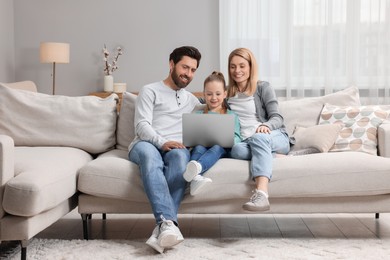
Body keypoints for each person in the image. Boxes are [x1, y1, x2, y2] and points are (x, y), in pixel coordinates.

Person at [128, 46, 201, 253]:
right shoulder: (149, 90)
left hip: (175, 148)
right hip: (145, 144)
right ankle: (169, 222)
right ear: (171, 64)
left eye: (193, 70)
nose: (188, 74)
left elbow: (212, 114)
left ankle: (163, 227)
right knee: (151, 158)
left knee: (180, 158)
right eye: (184, 67)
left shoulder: (192, 101)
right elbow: (141, 126)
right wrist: (162, 142)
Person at [226, 47, 291, 212]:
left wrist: (265, 125)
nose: (237, 70)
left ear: (250, 67)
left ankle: (262, 194)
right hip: (247, 142)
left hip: (272, 136)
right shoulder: (227, 94)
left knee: (258, 138)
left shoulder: (263, 87)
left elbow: (277, 117)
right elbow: (208, 98)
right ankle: (273, 156)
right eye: (233, 66)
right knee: (236, 150)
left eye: (242, 66)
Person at [183, 71, 241, 196]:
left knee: (217, 147)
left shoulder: (231, 115)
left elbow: (237, 137)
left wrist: (226, 139)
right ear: (204, 94)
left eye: (218, 94)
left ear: (225, 94)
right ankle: (194, 177)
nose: (213, 98)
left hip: (222, 149)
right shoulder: (198, 115)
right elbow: (191, 136)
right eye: (209, 94)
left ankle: (197, 168)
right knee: (198, 147)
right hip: (202, 146)